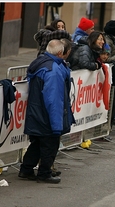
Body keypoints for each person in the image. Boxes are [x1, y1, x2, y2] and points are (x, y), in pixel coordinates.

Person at [19, 39, 75, 184]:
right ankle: (44, 172)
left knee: (37, 142)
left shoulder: (41, 64)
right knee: (50, 144)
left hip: (37, 111)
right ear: (61, 53)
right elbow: (54, 99)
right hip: (47, 114)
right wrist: (57, 125)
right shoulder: (53, 70)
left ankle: (26, 169)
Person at [103, 19, 115, 127]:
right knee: (111, 98)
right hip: (110, 73)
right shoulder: (108, 41)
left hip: (114, 71)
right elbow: (106, 58)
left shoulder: (113, 40)